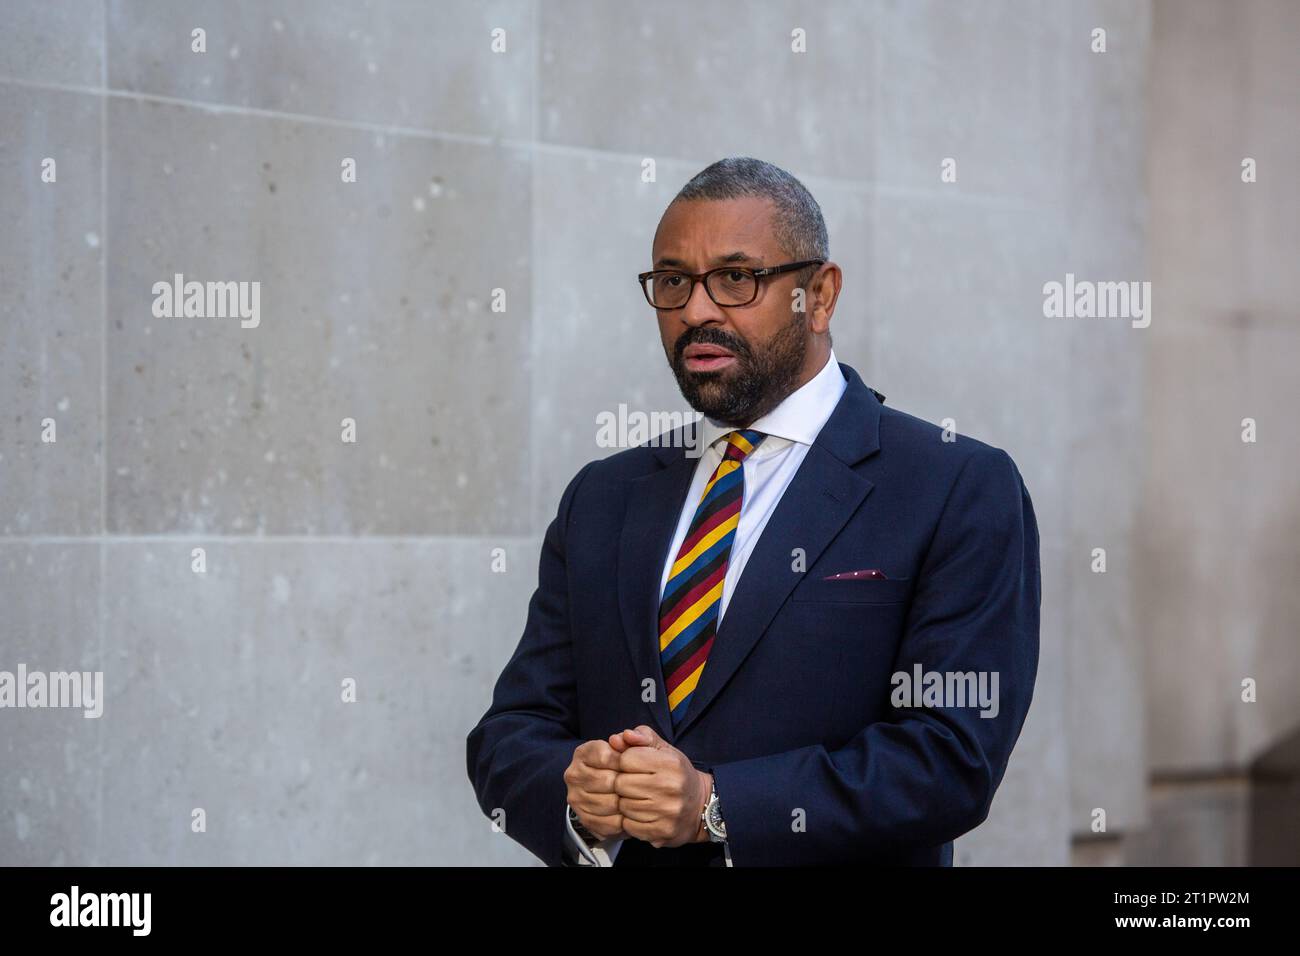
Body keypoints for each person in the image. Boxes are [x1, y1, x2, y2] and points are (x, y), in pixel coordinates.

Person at [466, 156, 1041, 866]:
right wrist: (579, 795)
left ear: (820, 296)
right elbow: (512, 731)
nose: (696, 311)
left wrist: (715, 805)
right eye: (674, 281)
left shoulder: (955, 485)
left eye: (736, 278)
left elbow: (953, 758)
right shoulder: (603, 496)